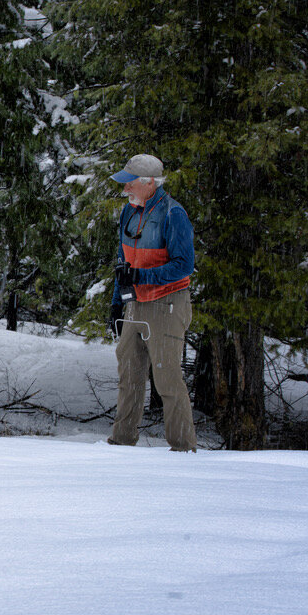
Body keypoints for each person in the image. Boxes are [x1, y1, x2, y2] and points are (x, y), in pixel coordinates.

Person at [106, 153, 197, 452]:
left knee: (168, 379)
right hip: (135, 305)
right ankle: (120, 444)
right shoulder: (128, 212)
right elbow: (124, 262)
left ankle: (184, 450)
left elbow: (184, 265)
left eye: (129, 183)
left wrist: (141, 277)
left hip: (168, 305)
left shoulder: (173, 214)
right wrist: (117, 301)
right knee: (129, 376)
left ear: (148, 183)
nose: (125, 189)